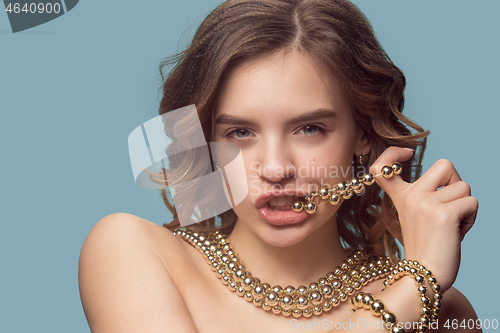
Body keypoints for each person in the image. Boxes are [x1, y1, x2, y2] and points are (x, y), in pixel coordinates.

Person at [78, 0, 480, 332]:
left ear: (362, 133)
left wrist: (419, 290)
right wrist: (417, 284)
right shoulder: (133, 254)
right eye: (239, 132)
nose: (274, 168)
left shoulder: (445, 315)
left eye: (309, 128)